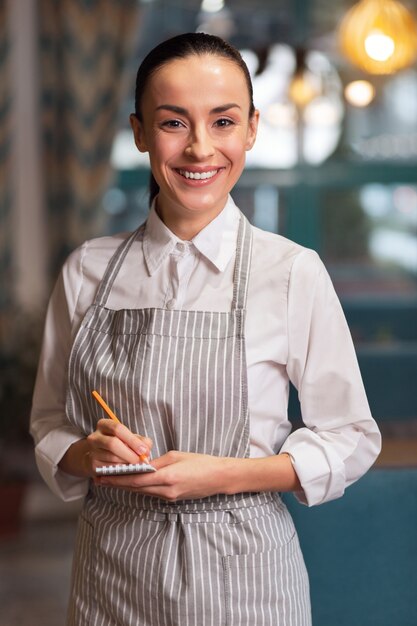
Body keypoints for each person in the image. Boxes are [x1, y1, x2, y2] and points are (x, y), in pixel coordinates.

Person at [30, 32, 381, 626]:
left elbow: (351, 436)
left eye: (222, 122)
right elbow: (48, 422)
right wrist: (86, 455)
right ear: (139, 132)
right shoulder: (86, 269)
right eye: (173, 123)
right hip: (112, 577)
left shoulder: (292, 272)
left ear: (251, 129)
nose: (200, 149)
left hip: (247, 575)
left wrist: (223, 475)